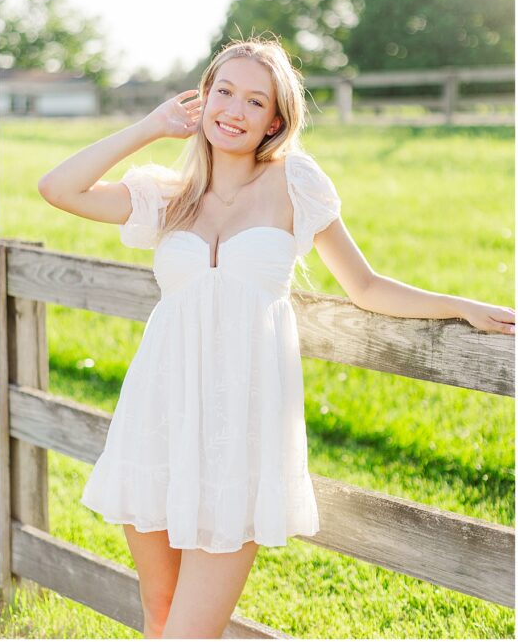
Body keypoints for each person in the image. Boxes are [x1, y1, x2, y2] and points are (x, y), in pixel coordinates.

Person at [37, 37, 514, 638]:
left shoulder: (296, 182)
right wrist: (151, 126)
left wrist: (460, 306)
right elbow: (58, 188)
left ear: (275, 119)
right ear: (203, 98)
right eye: (223, 91)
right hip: (158, 420)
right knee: (157, 610)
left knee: (189, 632)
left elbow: (364, 286)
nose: (233, 110)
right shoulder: (167, 194)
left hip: (240, 433)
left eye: (254, 101)